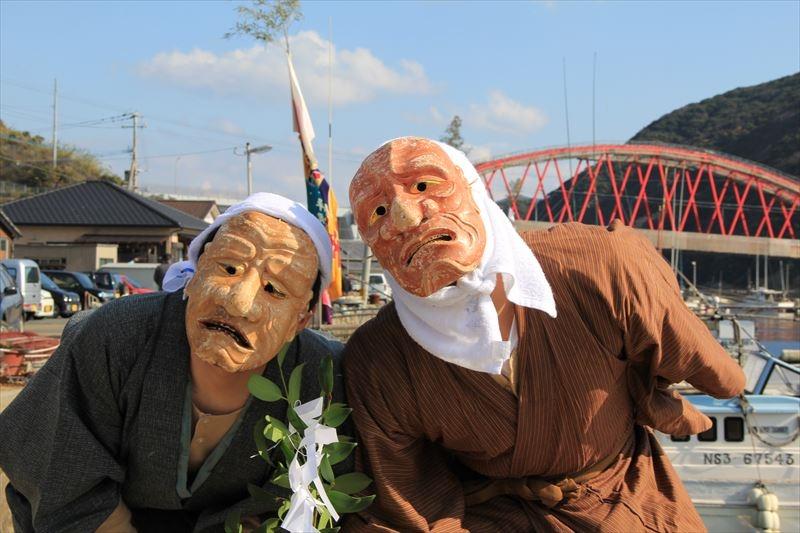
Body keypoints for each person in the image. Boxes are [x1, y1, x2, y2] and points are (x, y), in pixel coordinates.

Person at [342, 137, 745, 531]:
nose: (407, 218)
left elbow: (719, 378)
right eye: (378, 212)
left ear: (474, 191)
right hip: (493, 515)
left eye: (425, 186)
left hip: (628, 503)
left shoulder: (600, 266)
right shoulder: (379, 358)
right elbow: (409, 506)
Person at [0, 193, 347, 532]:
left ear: (300, 321)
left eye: (273, 290)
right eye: (229, 268)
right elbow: (56, 463)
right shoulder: (115, 334)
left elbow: (302, 501)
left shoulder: (321, 374)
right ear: (195, 274)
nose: (239, 303)